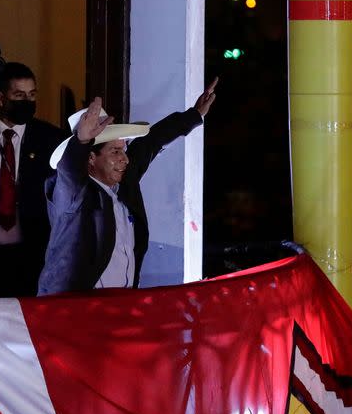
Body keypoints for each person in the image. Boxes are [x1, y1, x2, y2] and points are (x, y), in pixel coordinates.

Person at [38, 78, 218, 296]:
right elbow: (69, 172)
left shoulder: (123, 183)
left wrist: (194, 115)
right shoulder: (73, 193)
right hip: (73, 309)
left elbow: (150, 143)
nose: (125, 159)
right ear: (90, 159)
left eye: (123, 150)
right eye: (115, 152)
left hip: (120, 305)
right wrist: (80, 141)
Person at [0, 62, 66, 297]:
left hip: (31, 255)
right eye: (18, 95)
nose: (27, 102)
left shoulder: (50, 138)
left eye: (31, 95)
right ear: (0, 98)